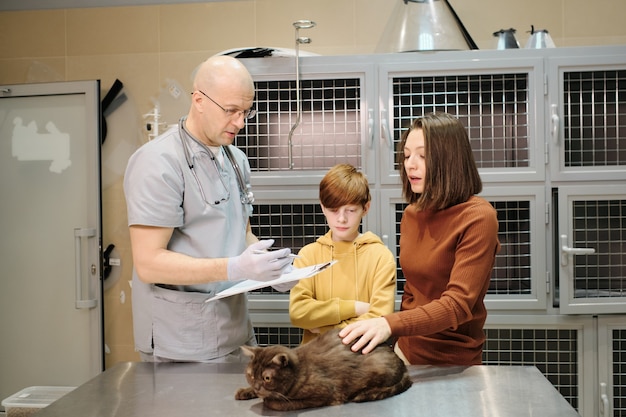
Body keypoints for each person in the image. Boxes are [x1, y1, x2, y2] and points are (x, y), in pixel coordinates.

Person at [123, 55, 294, 363]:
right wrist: (235, 268)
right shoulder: (157, 162)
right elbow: (148, 262)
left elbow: (242, 234)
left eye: (246, 111)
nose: (240, 122)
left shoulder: (236, 159)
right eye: (230, 111)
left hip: (235, 328)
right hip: (180, 338)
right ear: (199, 100)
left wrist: (274, 269)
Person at [339, 112, 501, 366]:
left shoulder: (479, 217)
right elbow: (412, 291)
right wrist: (394, 343)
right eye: (406, 155)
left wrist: (389, 324)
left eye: (422, 156)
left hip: (453, 361)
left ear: (450, 160)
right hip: (407, 351)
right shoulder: (412, 214)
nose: (410, 164)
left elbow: (457, 305)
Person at [289, 163, 397, 344]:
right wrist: (355, 308)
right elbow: (299, 313)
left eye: (351, 210)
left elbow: (380, 318)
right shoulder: (307, 255)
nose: (341, 218)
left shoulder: (380, 256)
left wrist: (322, 328)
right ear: (322, 207)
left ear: (366, 208)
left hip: (364, 362)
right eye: (333, 210)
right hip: (314, 362)